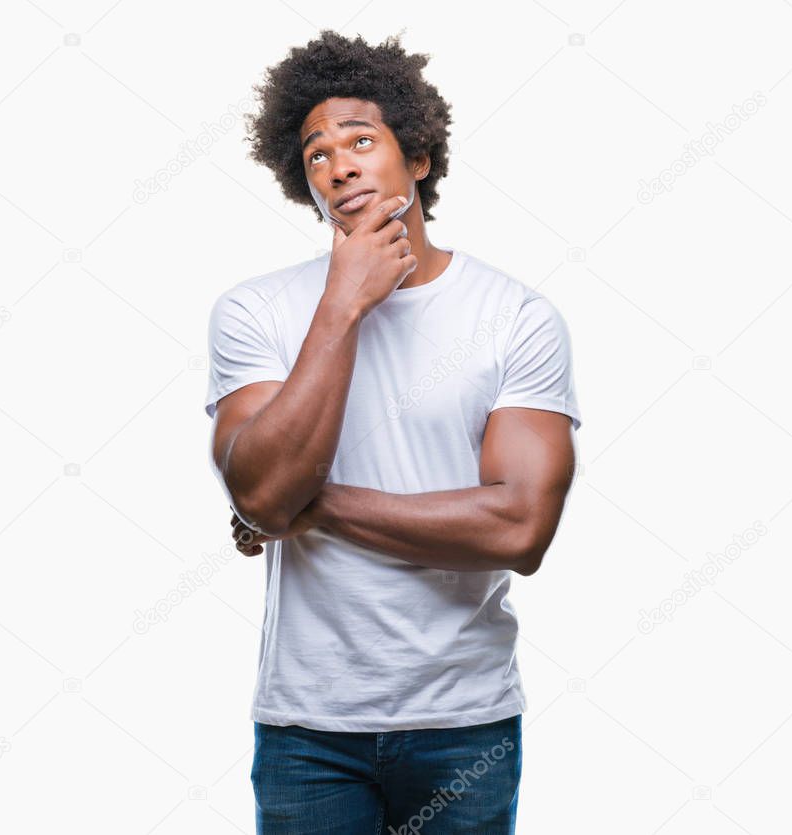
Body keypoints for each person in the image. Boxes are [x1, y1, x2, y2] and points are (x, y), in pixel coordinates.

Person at [204, 29, 582, 835]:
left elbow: (517, 527)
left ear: (416, 157)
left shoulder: (514, 316)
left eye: (360, 140)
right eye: (314, 155)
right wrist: (343, 302)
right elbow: (265, 490)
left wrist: (310, 507)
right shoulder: (256, 311)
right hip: (308, 726)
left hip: (464, 719)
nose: (337, 165)